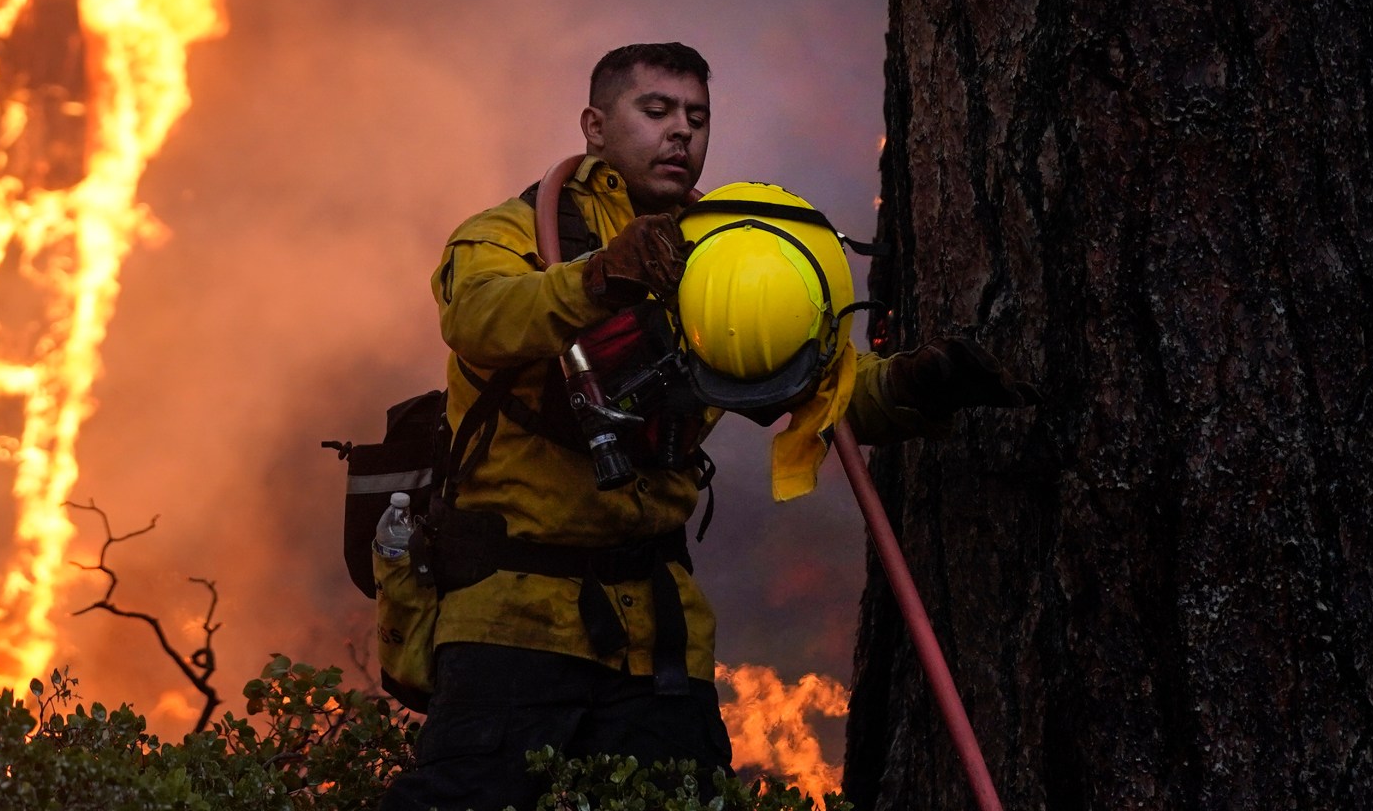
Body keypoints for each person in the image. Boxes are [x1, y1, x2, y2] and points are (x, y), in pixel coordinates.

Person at [380, 42, 1032, 810]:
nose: (681, 132)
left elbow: (820, 399)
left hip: (659, 641)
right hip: (512, 624)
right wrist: (600, 276)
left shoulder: (724, 256)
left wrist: (919, 386)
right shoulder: (505, 235)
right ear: (594, 125)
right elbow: (481, 319)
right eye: (655, 111)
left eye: (697, 116)